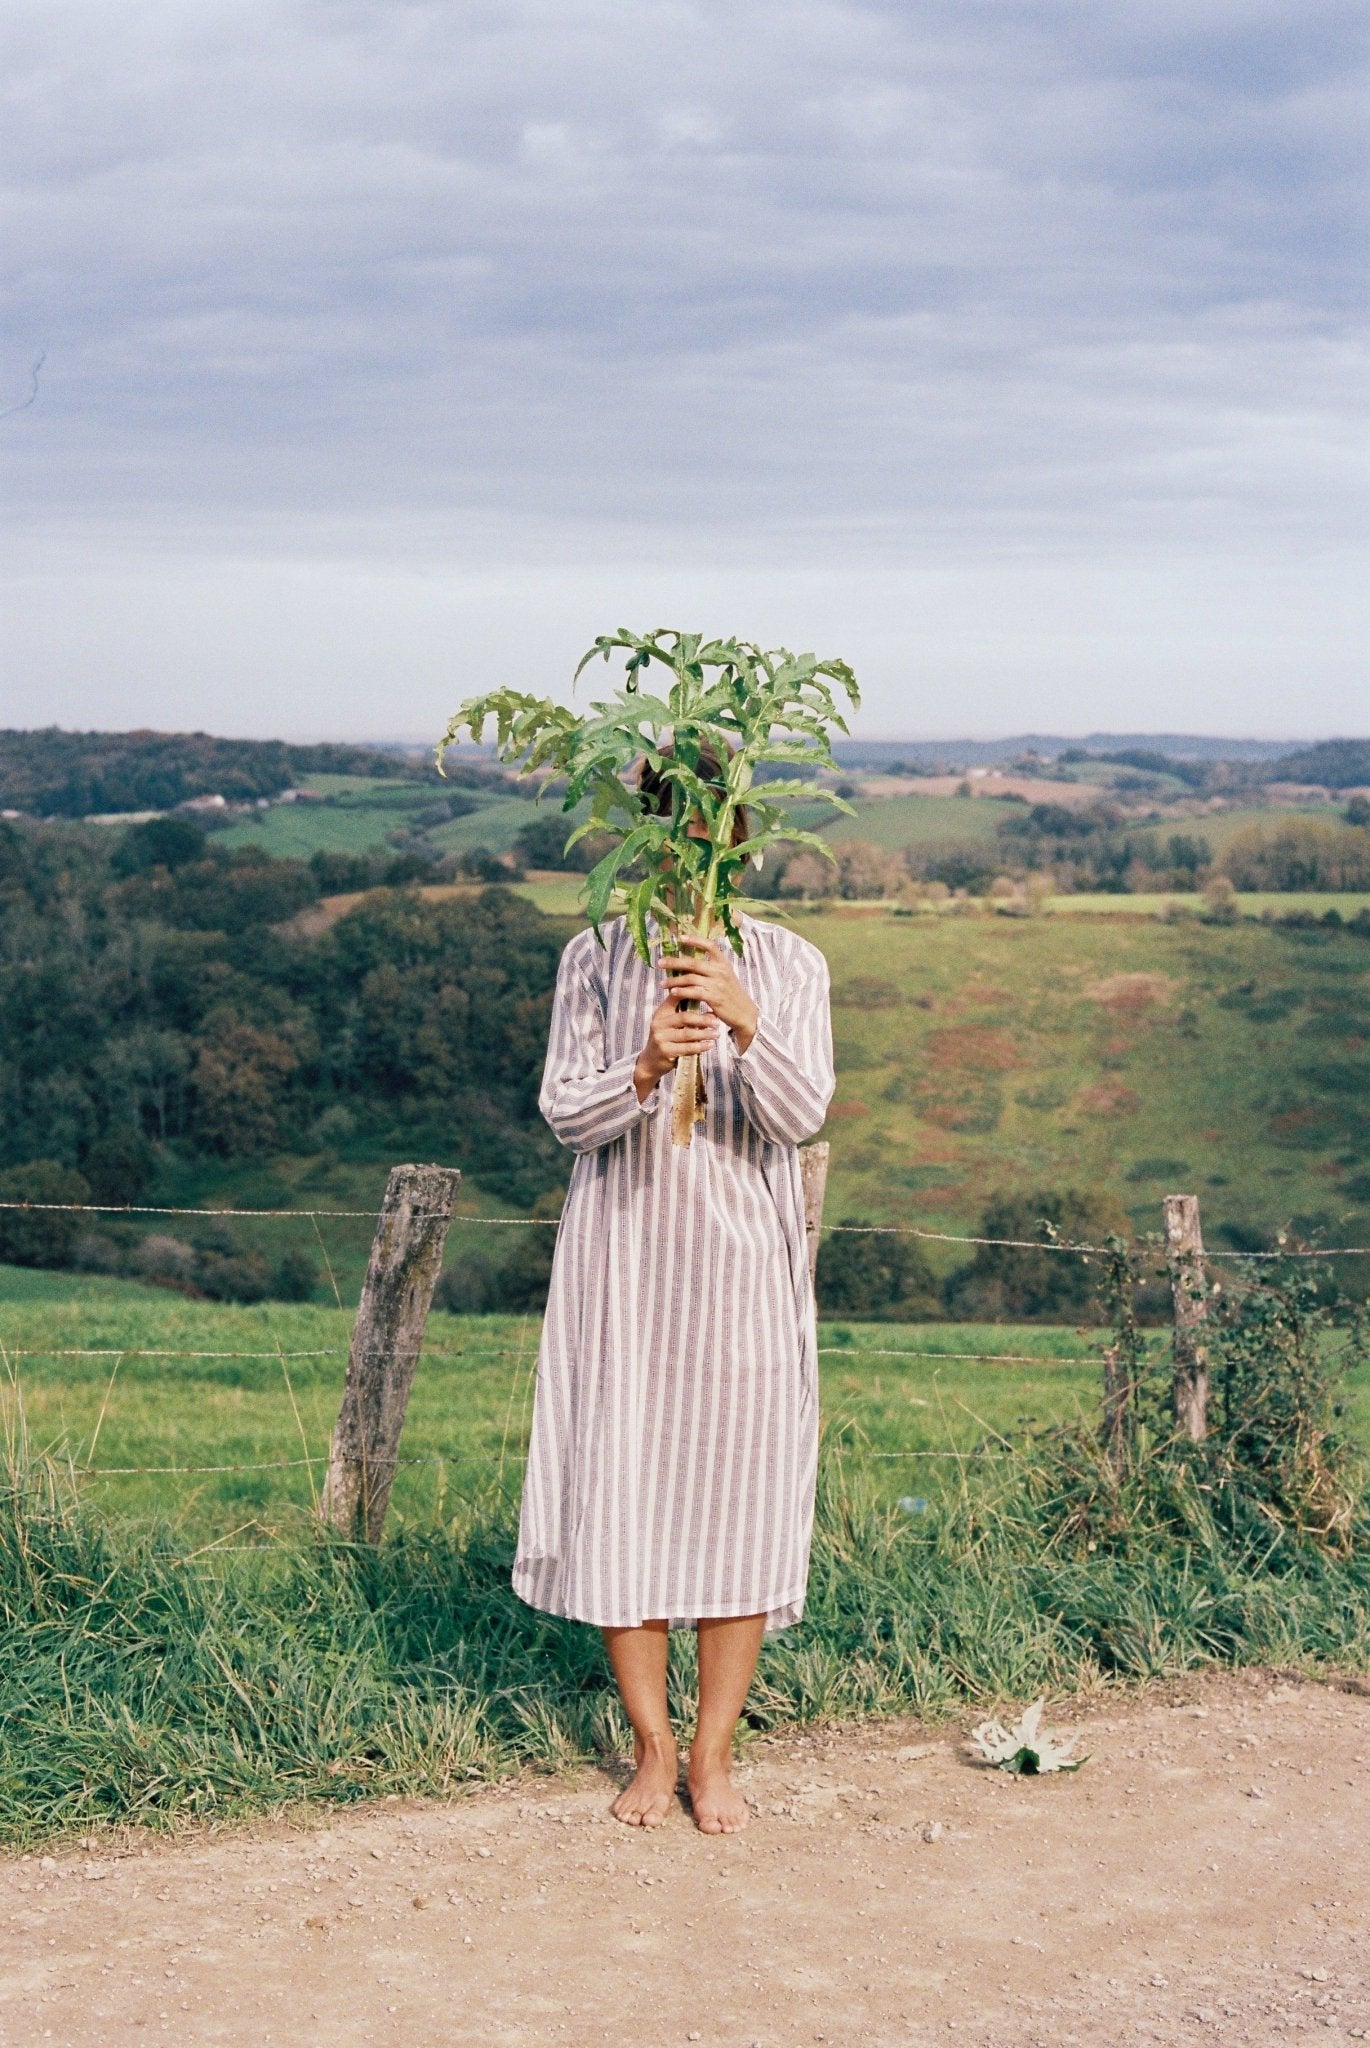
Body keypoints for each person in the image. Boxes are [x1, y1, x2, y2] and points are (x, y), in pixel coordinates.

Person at [512, 768, 835, 1833]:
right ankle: (650, 1748)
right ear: (645, 839)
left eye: (707, 831)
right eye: (668, 828)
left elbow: (796, 1115)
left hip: (741, 1272)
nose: (687, 846)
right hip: (625, 1265)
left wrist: (745, 1022)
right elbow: (564, 1113)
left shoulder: (788, 962)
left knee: (737, 1500)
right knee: (627, 1494)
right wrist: (645, 1061)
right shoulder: (595, 957)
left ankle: (714, 1755)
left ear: (735, 842)